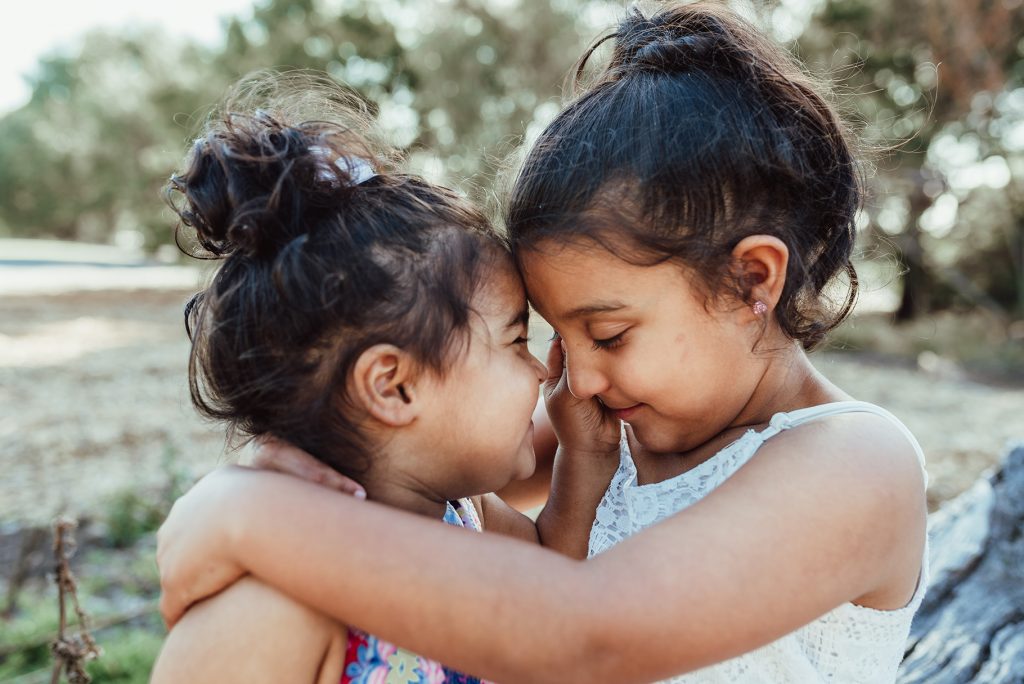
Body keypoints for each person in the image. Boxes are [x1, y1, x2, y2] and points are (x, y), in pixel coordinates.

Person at [157, 4, 929, 682]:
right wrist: (287, 469)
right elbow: (410, 454)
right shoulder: (601, 433)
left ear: (752, 282)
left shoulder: (856, 464)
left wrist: (246, 518)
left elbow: (589, 634)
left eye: (609, 333)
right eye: (559, 337)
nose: (578, 380)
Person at [149, 73, 607, 683]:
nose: (537, 366)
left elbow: (555, 586)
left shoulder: (463, 514)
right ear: (393, 386)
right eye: (516, 339)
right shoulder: (279, 603)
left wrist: (587, 451)